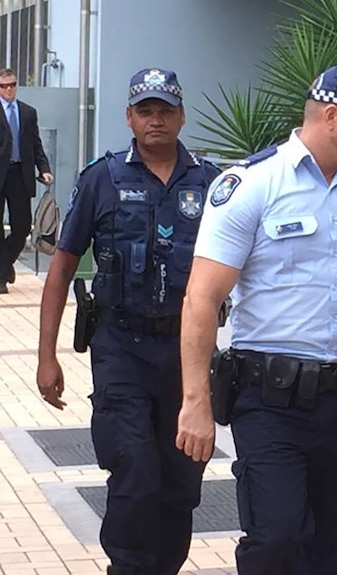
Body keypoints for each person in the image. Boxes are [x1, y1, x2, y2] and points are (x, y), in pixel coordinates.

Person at [174, 63, 337, 575]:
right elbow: (201, 297)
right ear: (332, 116)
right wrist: (195, 401)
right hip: (270, 400)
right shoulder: (251, 185)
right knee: (276, 537)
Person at [36, 68, 220, 575]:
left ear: (181, 116)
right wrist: (46, 355)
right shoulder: (103, 178)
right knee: (134, 470)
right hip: (122, 347)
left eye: (165, 110)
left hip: (187, 353)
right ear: (129, 118)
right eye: (145, 111)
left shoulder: (210, 183)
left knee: (181, 482)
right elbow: (62, 267)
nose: (155, 120)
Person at [0, 67, 53, 293]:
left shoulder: (28, 112)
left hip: (20, 174)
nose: (9, 89)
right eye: (3, 86)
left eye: (12, 84)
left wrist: (44, 168)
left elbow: (36, 144)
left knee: (22, 226)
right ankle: (1, 278)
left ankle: (3, 265)